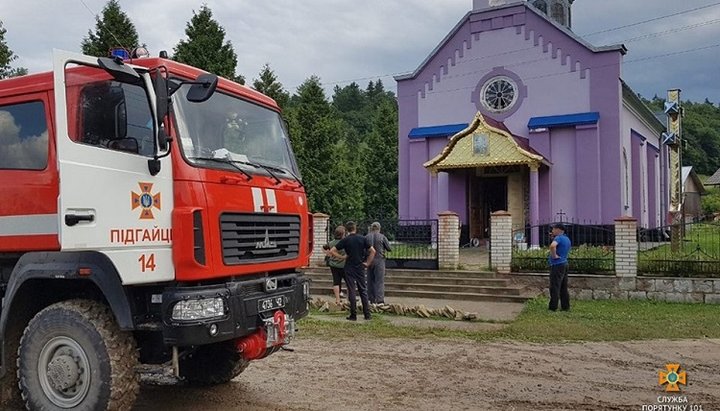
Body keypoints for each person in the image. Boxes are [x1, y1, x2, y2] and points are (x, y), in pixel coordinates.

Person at [329, 221, 376, 321]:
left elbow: (332, 250)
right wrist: (367, 263)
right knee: (363, 290)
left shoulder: (346, 240)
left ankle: (353, 315)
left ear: (347, 229)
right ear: (355, 228)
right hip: (360, 266)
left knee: (352, 290)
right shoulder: (363, 239)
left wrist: (342, 257)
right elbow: (373, 251)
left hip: (349, 267)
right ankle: (367, 314)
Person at [365, 222, 392, 304]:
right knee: (379, 281)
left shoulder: (366, 237)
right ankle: (380, 300)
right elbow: (389, 248)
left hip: (369, 260)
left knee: (370, 280)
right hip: (379, 260)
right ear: (379, 228)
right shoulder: (382, 237)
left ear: (371, 228)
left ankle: (371, 299)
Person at [548, 222, 571, 311]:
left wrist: (554, 256)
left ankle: (553, 307)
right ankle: (565, 306)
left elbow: (552, 246)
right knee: (563, 287)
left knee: (554, 286)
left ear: (558, 230)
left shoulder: (558, 238)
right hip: (564, 263)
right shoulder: (567, 239)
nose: (552, 231)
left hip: (557, 264)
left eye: (553, 229)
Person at [323, 225, 347, 305]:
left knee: (336, 282)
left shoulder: (331, 243)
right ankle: (350, 299)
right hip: (344, 265)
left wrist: (328, 253)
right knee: (348, 282)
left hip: (333, 265)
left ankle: (337, 299)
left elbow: (324, 247)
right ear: (343, 234)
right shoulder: (345, 242)